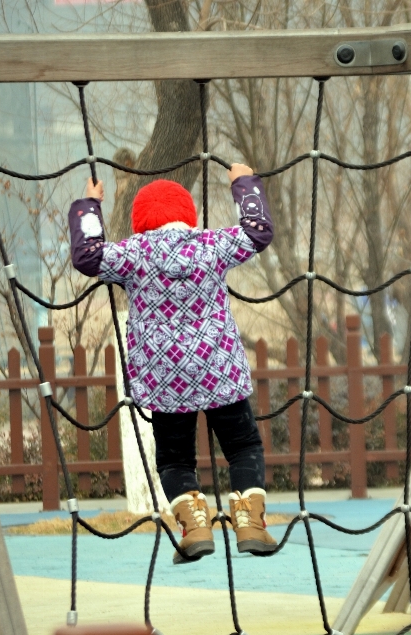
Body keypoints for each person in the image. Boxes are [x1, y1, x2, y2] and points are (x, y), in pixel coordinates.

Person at [68, 164, 276, 564]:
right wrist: (243, 185)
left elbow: (87, 257)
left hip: (166, 379)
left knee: (175, 458)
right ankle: (251, 523)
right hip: (218, 369)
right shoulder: (211, 245)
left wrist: (89, 206)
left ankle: (195, 526)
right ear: (189, 215)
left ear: (139, 220)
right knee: (243, 445)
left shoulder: (133, 254)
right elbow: (257, 232)